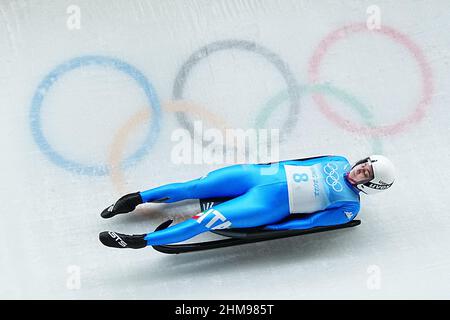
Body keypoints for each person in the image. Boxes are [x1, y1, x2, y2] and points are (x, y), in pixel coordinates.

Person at [99, 154, 395, 249]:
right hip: (257, 175)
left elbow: (310, 223)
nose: (359, 169)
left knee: (205, 221)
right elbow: (297, 160)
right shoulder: (338, 159)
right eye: (364, 163)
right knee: (196, 186)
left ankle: (140, 241)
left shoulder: (348, 207)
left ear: (371, 184)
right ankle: (134, 199)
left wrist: (272, 229)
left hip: (266, 206)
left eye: (366, 172)